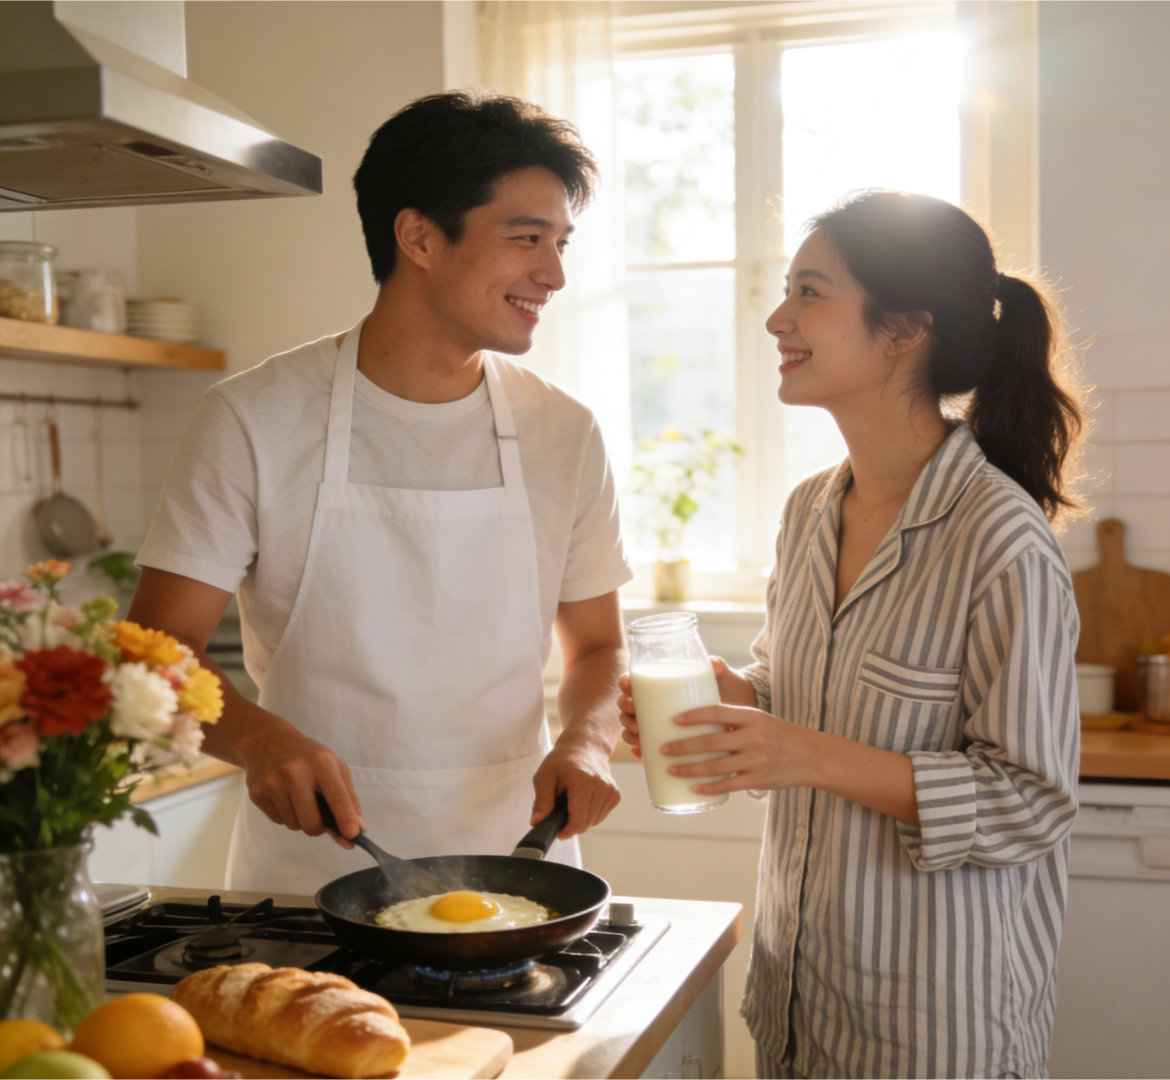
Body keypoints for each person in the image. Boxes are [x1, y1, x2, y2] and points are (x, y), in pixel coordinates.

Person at [618, 190, 1085, 1078]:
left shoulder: (999, 538)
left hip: (935, 1031)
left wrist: (801, 754)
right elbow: (803, 699)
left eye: (809, 291)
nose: (776, 318)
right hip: (800, 999)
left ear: (903, 330)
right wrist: (737, 706)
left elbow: (1032, 798)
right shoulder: (810, 512)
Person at [128, 90, 632, 894]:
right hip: (309, 872)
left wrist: (589, 739)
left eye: (561, 242)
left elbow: (599, 647)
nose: (555, 273)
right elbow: (154, 655)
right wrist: (261, 741)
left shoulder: (563, 432)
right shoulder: (253, 419)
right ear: (420, 236)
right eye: (527, 239)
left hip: (517, 872)